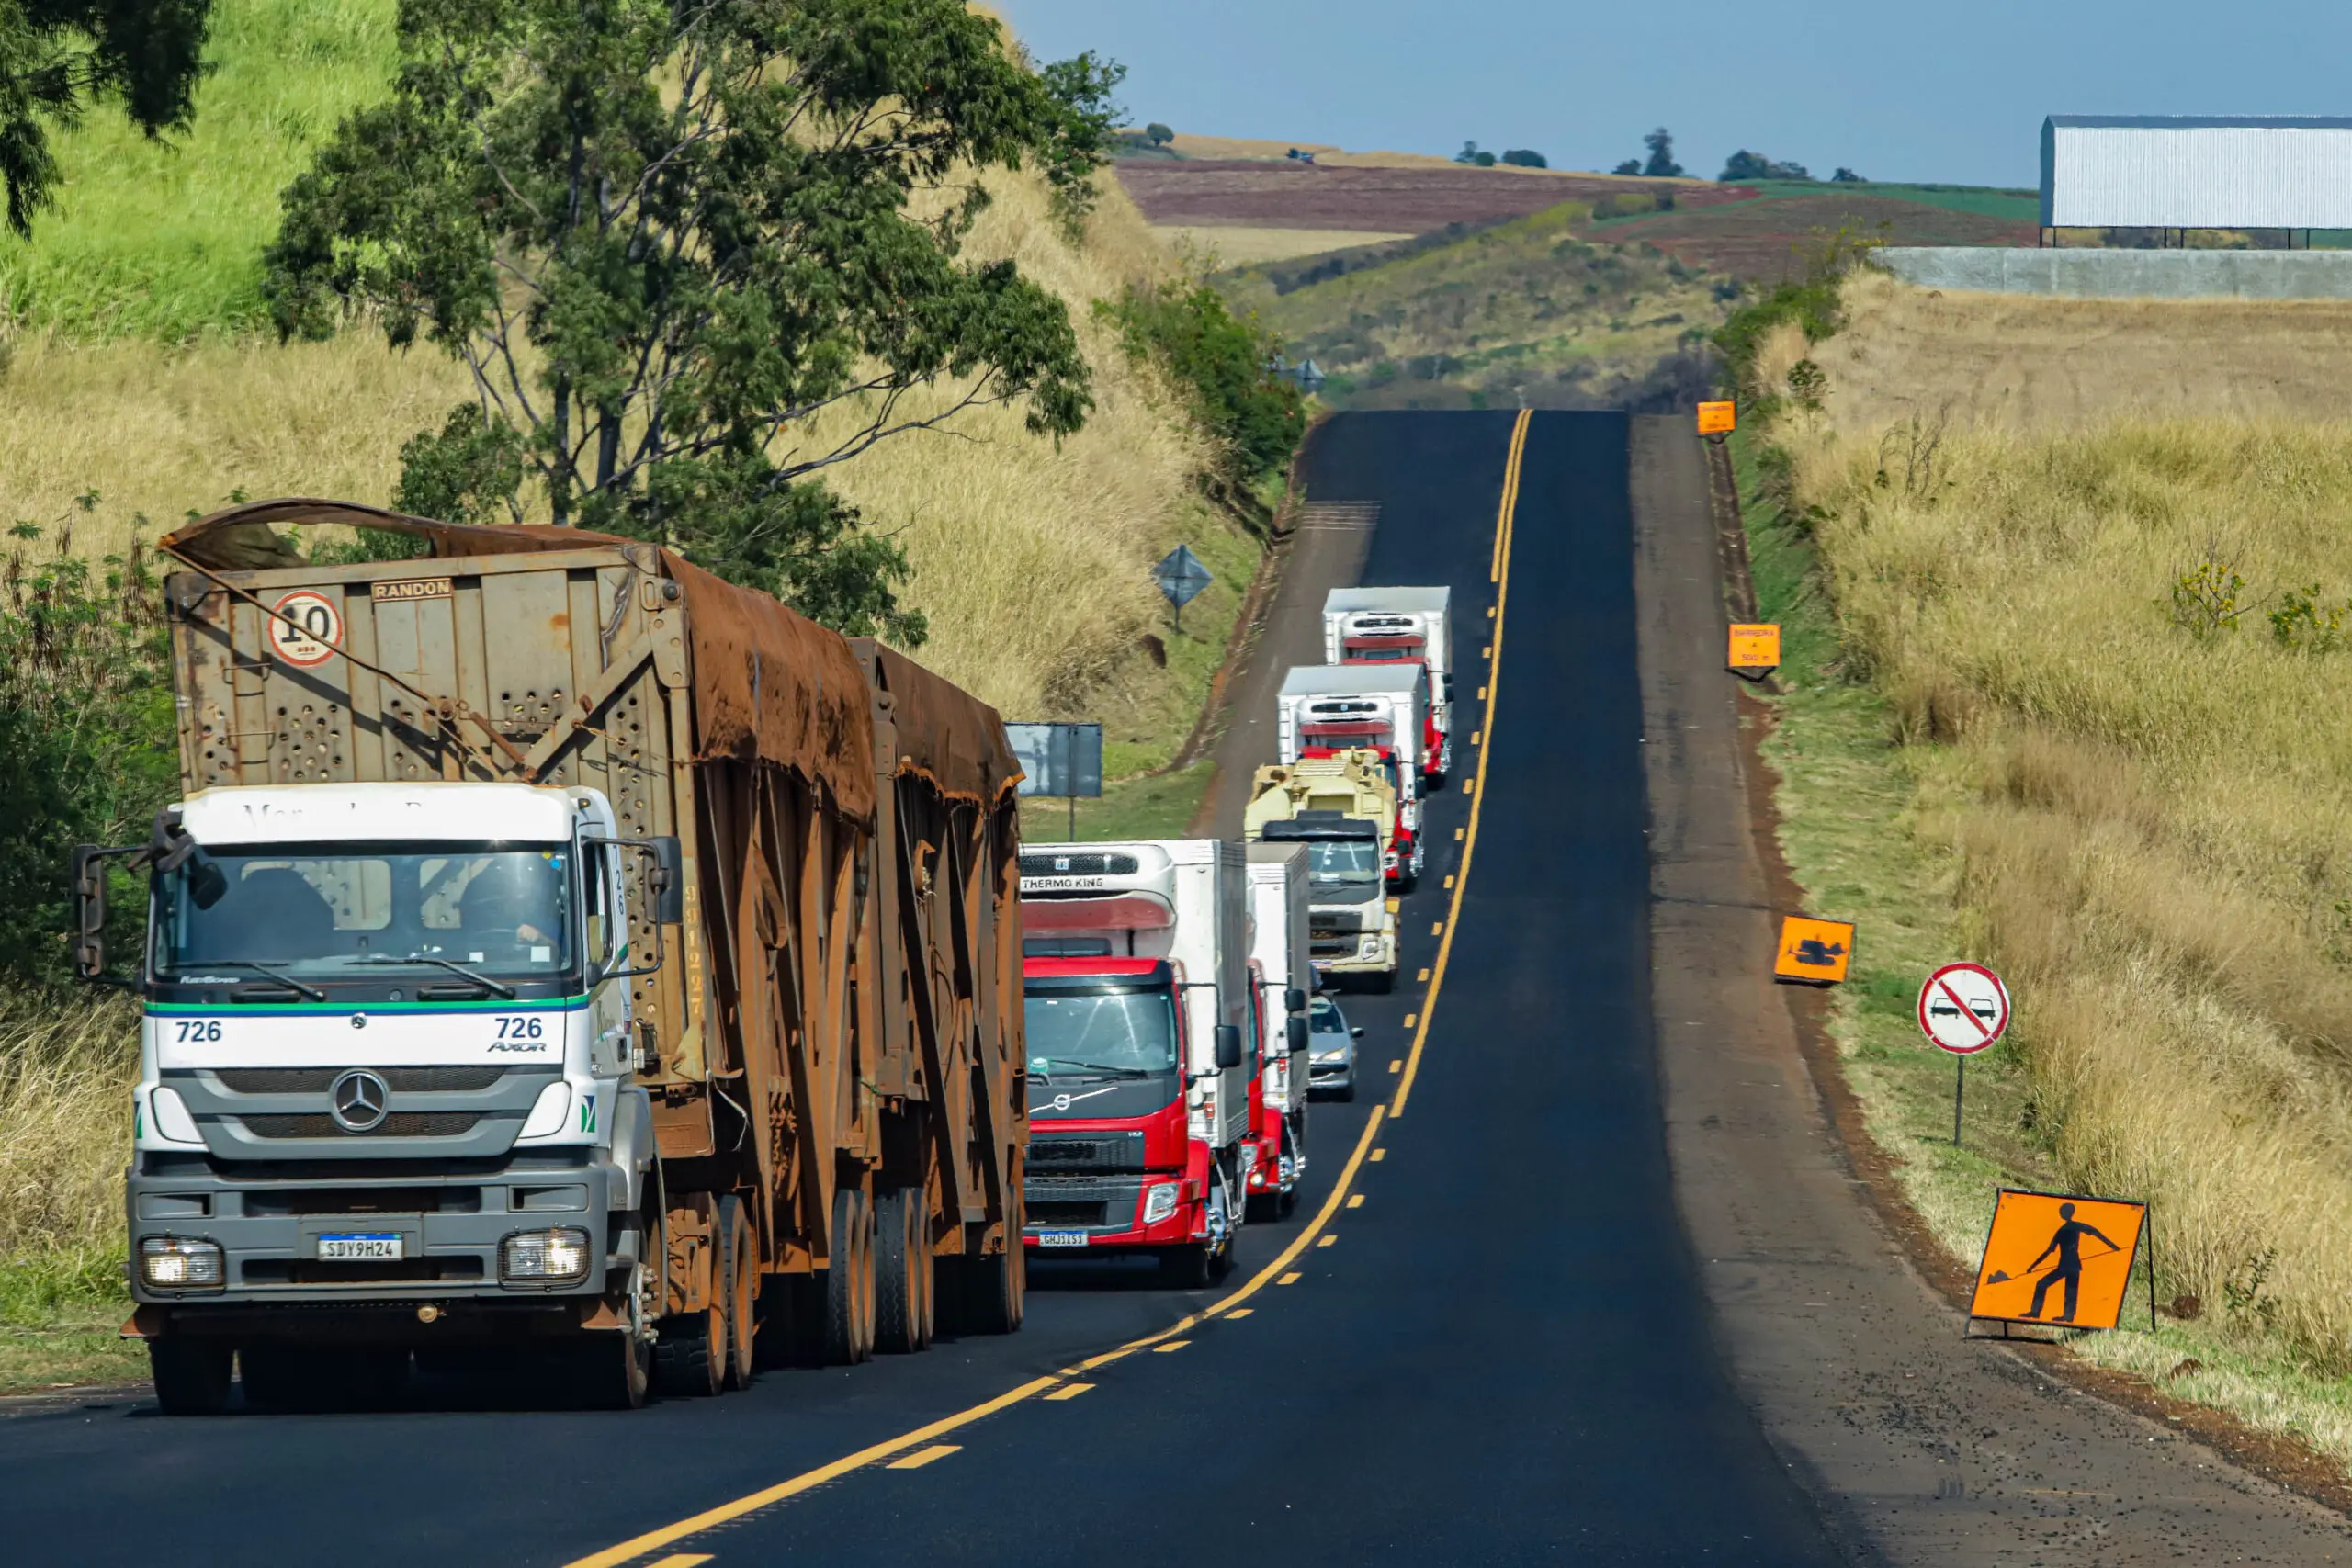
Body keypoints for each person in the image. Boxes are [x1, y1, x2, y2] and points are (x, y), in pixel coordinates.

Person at [2024, 1202, 2120, 1324]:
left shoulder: (2067, 1228)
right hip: (2070, 1264)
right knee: (2067, 1290)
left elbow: (2094, 1231)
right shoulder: (2066, 1229)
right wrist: (2032, 1266)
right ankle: (2056, 1315)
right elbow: (2049, 1250)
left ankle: (2044, 1313)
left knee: (2055, 1287)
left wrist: (2113, 1246)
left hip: (2068, 1265)